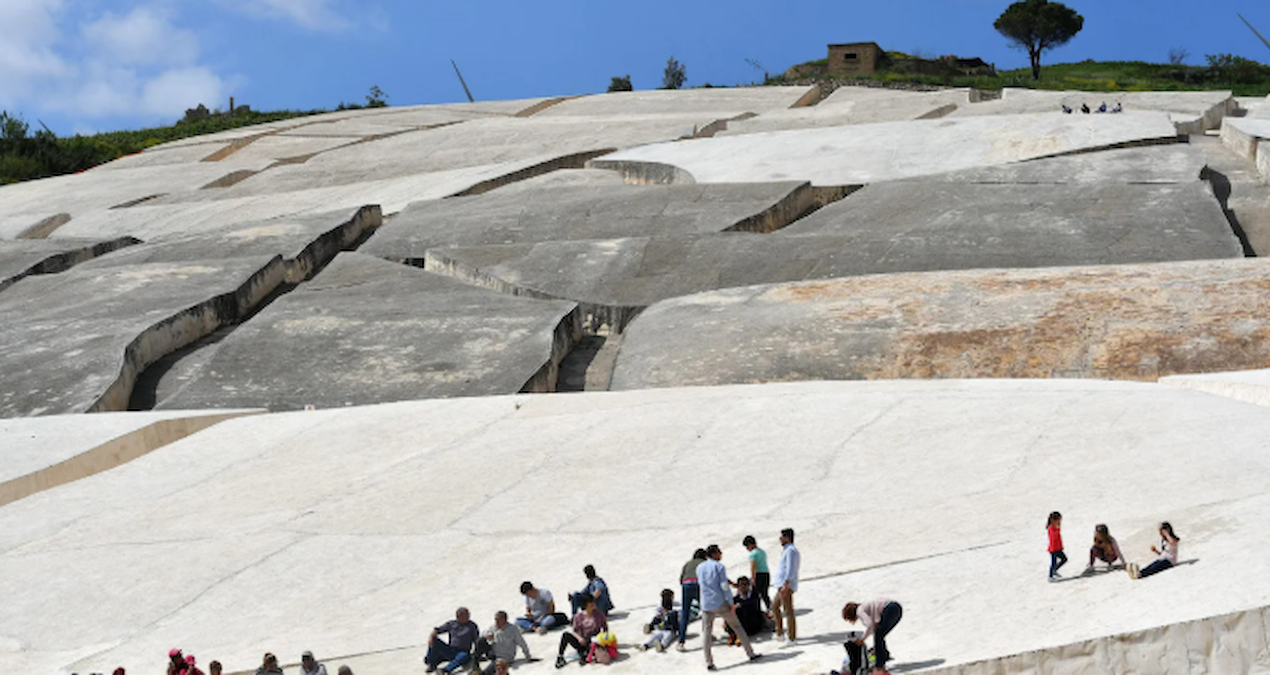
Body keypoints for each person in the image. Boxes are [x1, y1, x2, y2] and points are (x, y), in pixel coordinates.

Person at [699, 544, 761, 670]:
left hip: (706, 603)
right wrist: (731, 603)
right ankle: (750, 653)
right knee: (737, 626)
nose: (721, 554)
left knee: (707, 633)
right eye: (719, 552)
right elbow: (724, 586)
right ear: (714, 554)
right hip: (720, 601)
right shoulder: (719, 566)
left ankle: (709, 662)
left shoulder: (700, 567)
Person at [843, 599, 903, 674]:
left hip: (889, 608)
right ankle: (884, 656)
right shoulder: (864, 607)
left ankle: (879, 666)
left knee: (878, 635)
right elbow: (874, 626)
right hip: (897, 608)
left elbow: (870, 625)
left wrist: (862, 639)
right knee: (879, 634)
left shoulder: (859, 611)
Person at [473, 610, 535, 674]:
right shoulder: (493, 627)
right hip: (494, 653)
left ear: (504, 620)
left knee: (491, 669)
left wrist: (528, 656)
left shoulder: (513, 630)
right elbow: (483, 634)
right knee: (481, 640)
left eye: (498, 620)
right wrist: (487, 636)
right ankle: (475, 664)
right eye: (495, 619)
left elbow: (522, 643)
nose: (496, 622)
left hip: (505, 657)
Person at [555, 596, 607, 668]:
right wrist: (580, 638)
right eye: (591, 604)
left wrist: (602, 639)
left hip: (594, 642)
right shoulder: (578, 616)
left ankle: (585, 654)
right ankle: (560, 656)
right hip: (582, 641)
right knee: (565, 635)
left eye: (594, 603)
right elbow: (574, 631)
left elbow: (605, 628)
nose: (593, 605)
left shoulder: (599, 615)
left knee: (593, 642)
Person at [425, 607, 479, 673]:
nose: (468, 616)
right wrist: (431, 637)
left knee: (463, 656)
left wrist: (478, 654)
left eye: (468, 614)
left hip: (463, 651)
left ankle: (445, 670)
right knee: (434, 640)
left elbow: (477, 640)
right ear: (459, 616)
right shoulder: (452, 624)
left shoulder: (472, 626)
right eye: (466, 615)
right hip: (450, 649)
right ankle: (431, 663)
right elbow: (437, 630)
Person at [772, 528, 801, 643]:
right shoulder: (786, 550)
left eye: (782, 537)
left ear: (787, 538)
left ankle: (791, 637)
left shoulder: (791, 551)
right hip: (782, 585)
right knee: (774, 606)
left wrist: (786, 584)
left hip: (786, 585)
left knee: (788, 610)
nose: (780, 539)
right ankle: (779, 633)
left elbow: (791, 568)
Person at [677, 548, 707, 651]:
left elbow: (681, 579)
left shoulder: (687, 563)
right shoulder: (704, 563)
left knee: (685, 614)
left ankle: (681, 642)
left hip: (686, 586)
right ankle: (707, 635)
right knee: (705, 611)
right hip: (698, 585)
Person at [726, 576, 768, 645]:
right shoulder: (735, 598)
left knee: (743, 610)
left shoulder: (755, 595)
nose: (743, 587)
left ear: (748, 586)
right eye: (740, 585)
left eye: (745, 585)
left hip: (753, 624)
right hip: (741, 623)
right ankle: (733, 634)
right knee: (730, 612)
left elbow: (753, 605)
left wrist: (740, 605)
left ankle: (739, 635)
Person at [743, 535, 772, 614]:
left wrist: (753, 578)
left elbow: (753, 566)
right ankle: (770, 608)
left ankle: (757, 610)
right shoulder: (762, 551)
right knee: (765, 593)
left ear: (750, 545)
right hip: (766, 573)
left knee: (755, 594)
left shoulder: (753, 554)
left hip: (758, 574)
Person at [1047, 511, 1067, 582]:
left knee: (1064, 559)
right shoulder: (1051, 528)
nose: (1059, 523)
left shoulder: (1055, 527)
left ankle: (1055, 570)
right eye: (1058, 521)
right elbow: (1054, 536)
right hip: (1053, 549)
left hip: (1058, 548)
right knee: (1053, 563)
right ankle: (1050, 576)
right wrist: (1058, 528)